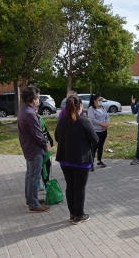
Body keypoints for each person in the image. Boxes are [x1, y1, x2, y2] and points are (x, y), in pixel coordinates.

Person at [55, 95, 98, 225]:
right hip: (81, 160)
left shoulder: (62, 121)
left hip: (65, 160)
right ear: (80, 107)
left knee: (70, 187)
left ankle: (72, 213)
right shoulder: (84, 122)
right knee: (79, 188)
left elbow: (57, 137)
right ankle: (79, 214)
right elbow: (95, 140)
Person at [17, 86, 51, 213]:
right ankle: (33, 204)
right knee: (34, 177)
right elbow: (37, 133)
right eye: (37, 98)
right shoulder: (30, 113)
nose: (38, 100)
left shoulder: (24, 110)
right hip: (34, 149)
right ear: (33, 99)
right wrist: (45, 144)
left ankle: (30, 199)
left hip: (28, 148)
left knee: (30, 175)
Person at [88, 94, 109, 170]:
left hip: (103, 130)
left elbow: (107, 116)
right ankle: (90, 163)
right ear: (94, 101)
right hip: (96, 131)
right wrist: (102, 124)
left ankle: (99, 160)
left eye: (101, 100)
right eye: (99, 100)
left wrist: (106, 123)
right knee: (94, 147)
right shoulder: (91, 109)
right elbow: (92, 119)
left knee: (101, 146)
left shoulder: (102, 108)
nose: (100, 101)